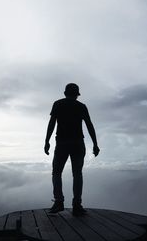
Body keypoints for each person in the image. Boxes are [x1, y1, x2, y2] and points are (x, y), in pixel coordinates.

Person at [44, 83, 100, 216]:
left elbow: (52, 123)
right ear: (76, 95)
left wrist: (46, 141)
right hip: (78, 143)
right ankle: (77, 205)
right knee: (77, 174)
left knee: (56, 173)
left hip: (62, 143)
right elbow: (89, 125)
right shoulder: (81, 106)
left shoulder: (58, 104)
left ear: (65, 93)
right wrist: (95, 144)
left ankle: (58, 202)